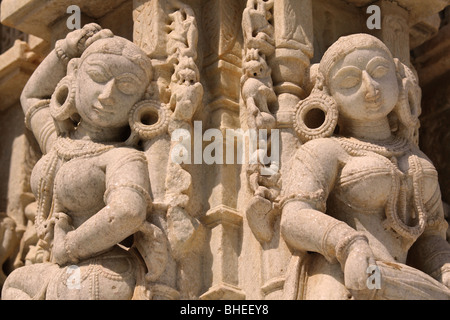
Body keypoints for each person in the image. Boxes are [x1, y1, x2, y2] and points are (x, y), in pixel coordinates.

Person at [281, 33, 450, 300]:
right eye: (350, 81)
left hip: (408, 281)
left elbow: (430, 235)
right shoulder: (325, 151)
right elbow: (294, 218)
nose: (371, 88)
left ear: (398, 77)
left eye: (380, 71)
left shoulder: (419, 161)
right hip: (349, 277)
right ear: (329, 95)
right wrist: (348, 243)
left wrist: (445, 269)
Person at [2, 24, 164, 300]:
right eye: (98, 76)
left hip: (100, 270)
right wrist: (65, 50)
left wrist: (69, 247)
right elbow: (31, 98)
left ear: (141, 100)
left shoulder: (121, 156)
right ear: (75, 77)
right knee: (15, 283)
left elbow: (127, 212)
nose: (107, 95)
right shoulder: (59, 143)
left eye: (126, 87)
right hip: (62, 265)